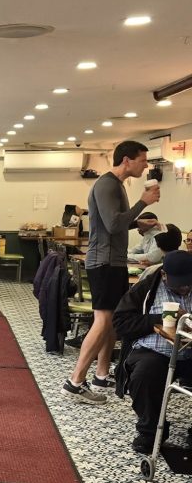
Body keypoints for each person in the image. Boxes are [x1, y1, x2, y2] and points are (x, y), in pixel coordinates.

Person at [62, 140, 160, 404]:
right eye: (142, 160)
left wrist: (138, 222)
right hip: (103, 261)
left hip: (113, 261)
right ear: (127, 160)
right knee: (103, 320)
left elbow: (116, 223)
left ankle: (101, 374)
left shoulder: (117, 185)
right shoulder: (106, 184)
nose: (146, 166)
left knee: (113, 319)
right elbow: (113, 224)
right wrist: (142, 202)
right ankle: (75, 382)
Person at [113, 250, 192, 453]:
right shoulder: (147, 287)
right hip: (155, 350)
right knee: (144, 375)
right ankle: (151, 431)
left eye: (188, 283)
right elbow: (121, 322)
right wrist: (159, 319)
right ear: (164, 275)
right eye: (179, 284)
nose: (184, 288)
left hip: (189, 352)